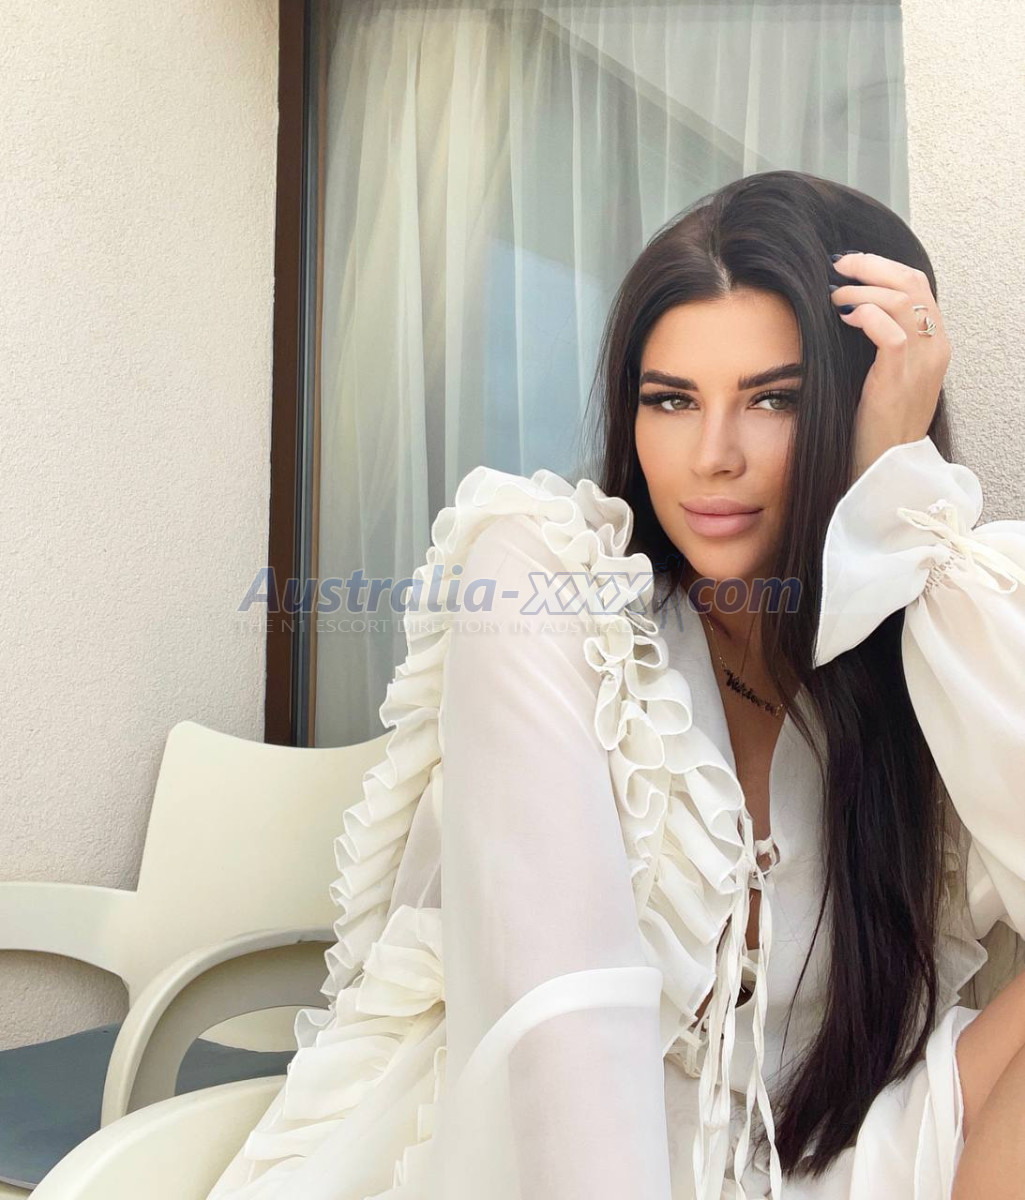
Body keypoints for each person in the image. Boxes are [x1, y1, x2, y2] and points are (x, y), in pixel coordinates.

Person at [205, 170, 1025, 1200]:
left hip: (814, 1162)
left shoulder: (896, 660)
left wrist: (899, 505)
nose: (711, 457)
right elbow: (565, 1018)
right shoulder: (544, 584)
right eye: (670, 400)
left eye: (772, 399)